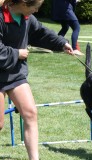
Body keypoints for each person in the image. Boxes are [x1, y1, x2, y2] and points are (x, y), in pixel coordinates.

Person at [0, 0, 74, 159]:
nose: (36, 11)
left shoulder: (27, 18)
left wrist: (62, 43)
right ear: (25, 4)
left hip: (15, 73)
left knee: (31, 113)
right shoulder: (1, 15)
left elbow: (41, 33)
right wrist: (16, 53)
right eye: (35, 8)